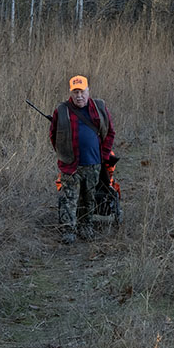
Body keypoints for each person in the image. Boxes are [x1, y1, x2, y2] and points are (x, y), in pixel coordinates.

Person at [49, 75, 116, 244]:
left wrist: (104, 156)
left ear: (88, 91)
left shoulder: (99, 107)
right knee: (69, 198)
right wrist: (64, 155)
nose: (79, 96)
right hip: (71, 165)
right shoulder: (61, 110)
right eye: (75, 92)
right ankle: (68, 230)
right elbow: (53, 135)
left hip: (93, 163)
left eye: (82, 91)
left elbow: (110, 133)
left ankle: (86, 226)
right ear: (71, 93)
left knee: (89, 197)